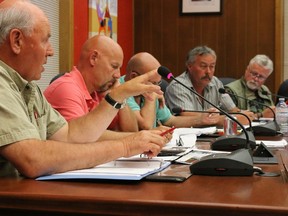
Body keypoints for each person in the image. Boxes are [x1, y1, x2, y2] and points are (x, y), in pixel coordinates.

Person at [0, 0, 168, 178]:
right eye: (45, 41)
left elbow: (70, 134)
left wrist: (118, 96)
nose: (51, 52)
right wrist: (125, 146)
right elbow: (33, 159)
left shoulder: (28, 86)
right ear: (16, 40)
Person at [44, 35, 138, 133]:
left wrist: (120, 95)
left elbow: (132, 131)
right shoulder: (66, 88)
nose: (118, 75)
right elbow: (82, 136)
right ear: (93, 58)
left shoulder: (100, 90)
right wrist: (136, 139)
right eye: (114, 66)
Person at [120, 52, 220, 129]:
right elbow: (145, 126)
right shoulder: (121, 89)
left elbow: (170, 121)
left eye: (158, 83)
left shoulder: (148, 89)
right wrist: (152, 96)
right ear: (134, 77)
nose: (157, 88)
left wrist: (201, 119)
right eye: (153, 83)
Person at [165, 46, 255, 125]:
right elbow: (189, 118)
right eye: (203, 66)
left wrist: (244, 114)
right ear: (189, 66)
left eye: (212, 66)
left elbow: (232, 110)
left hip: (210, 136)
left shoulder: (215, 82)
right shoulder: (178, 86)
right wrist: (232, 119)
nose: (208, 71)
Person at [224, 54, 275, 118]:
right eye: (254, 74)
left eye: (261, 77)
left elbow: (271, 114)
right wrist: (261, 115)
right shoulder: (230, 90)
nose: (256, 79)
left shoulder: (264, 90)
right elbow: (232, 119)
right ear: (247, 70)